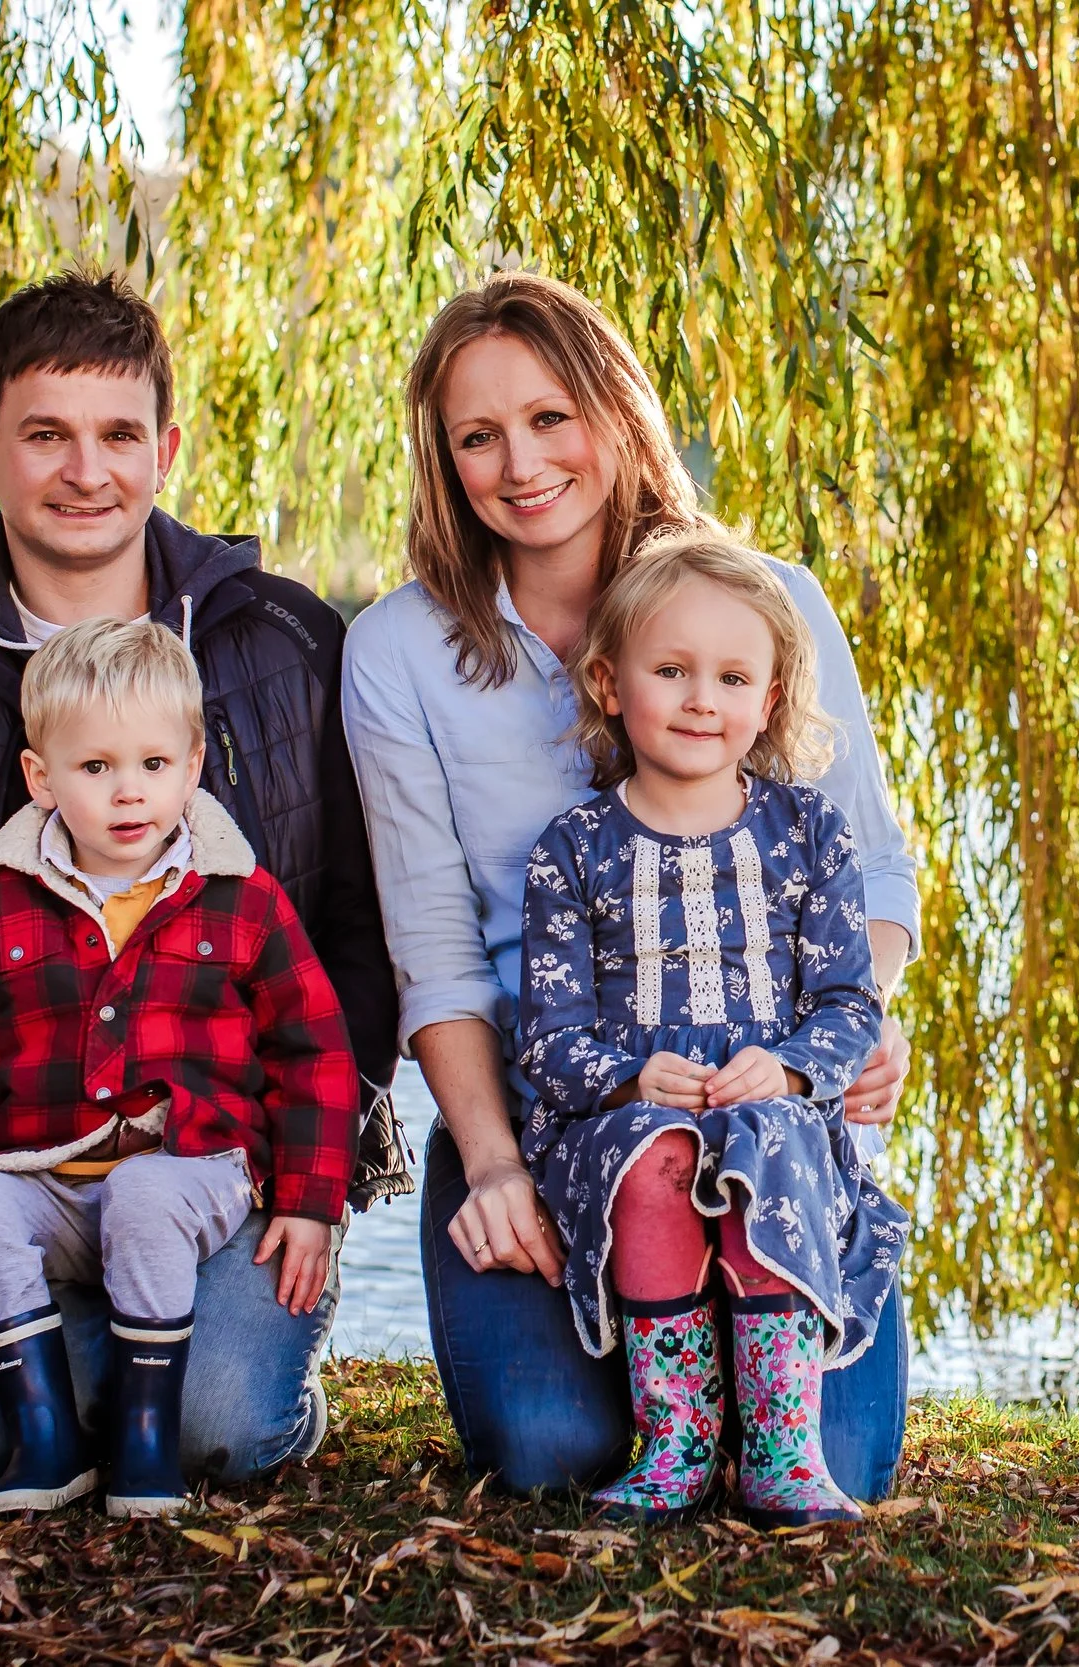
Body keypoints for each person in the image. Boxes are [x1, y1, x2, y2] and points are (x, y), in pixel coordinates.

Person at [0, 269, 402, 1487]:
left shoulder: (285, 646)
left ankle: (245, 1371)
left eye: (118, 435)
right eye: (44, 434)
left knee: (220, 1430)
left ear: (164, 449)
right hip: (3, 1169)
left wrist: (300, 1156)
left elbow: (365, 929)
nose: (84, 470)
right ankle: (79, 1353)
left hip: (229, 1155)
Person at [342, 271, 919, 1499]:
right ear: (444, 459)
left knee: (847, 1465)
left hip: (770, 1107)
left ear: (615, 413)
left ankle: (754, 1379)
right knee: (555, 1451)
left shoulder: (766, 605)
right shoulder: (397, 653)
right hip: (553, 1107)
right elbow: (436, 949)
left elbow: (865, 869)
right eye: (478, 435)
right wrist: (493, 1162)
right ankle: (598, 1329)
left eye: (552, 416)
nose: (522, 462)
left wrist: (845, 1032)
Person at [0, 619, 359, 1518]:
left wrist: (309, 1201)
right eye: (95, 768)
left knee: (147, 1201)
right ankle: (47, 1441)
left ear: (191, 767)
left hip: (196, 1172)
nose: (127, 792)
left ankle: (147, 1445)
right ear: (42, 778)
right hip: (48, 1176)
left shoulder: (238, 894)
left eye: (151, 764)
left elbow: (314, 1051)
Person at [517, 533, 908, 1525]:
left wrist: (784, 1069)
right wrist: (626, 1078)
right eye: (671, 670)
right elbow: (549, 1035)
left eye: (732, 676)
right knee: (653, 1160)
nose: (701, 699)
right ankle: (678, 1435)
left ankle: (780, 1443)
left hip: (767, 1109)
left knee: (769, 1144)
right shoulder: (572, 849)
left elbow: (848, 1004)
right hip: (628, 1117)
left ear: (769, 698)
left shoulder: (808, 830)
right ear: (609, 682)